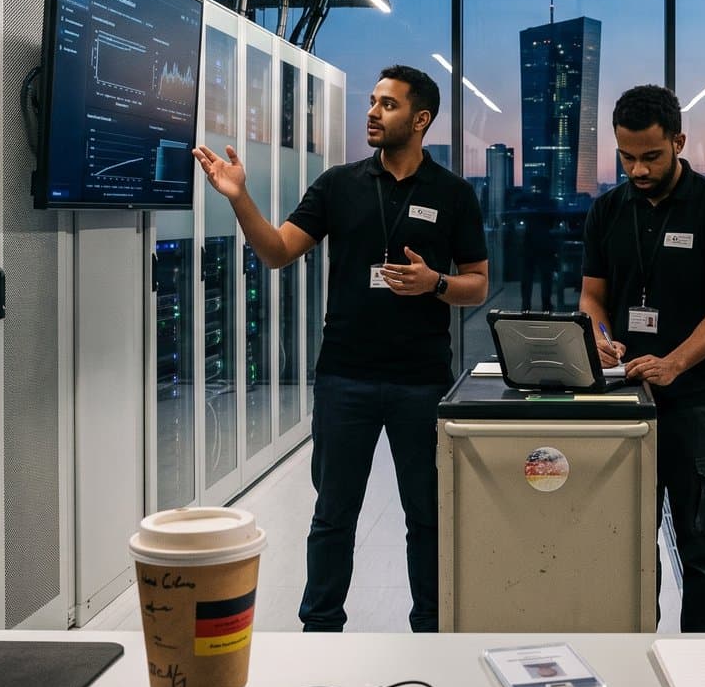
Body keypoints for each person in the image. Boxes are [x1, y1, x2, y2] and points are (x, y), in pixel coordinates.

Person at [193, 65, 488, 633]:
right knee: (332, 517)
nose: (373, 112)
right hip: (343, 379)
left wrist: (437, 284)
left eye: (389, 105)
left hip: (421, 382)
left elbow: (476, 278)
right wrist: (239, 198)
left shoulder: (452, 195)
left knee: (426, 518)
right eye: (372, 102)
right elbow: (278, 250)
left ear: (421, 119)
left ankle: (431, 629)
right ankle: (320, 629)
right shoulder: (337, 183)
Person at [580, 85, 705, 633]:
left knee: (702, 544)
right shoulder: (606, 210)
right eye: (626, 157)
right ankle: (639, 661)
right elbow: (592, 298)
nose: (638, 170)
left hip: (695, 402)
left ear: (679, 141)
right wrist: (600, 335)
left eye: (651, 156)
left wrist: (676, 361)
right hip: (625, 399)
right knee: (627, 544)